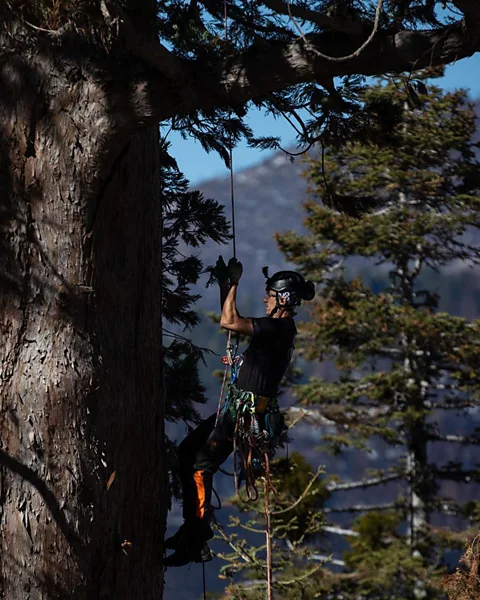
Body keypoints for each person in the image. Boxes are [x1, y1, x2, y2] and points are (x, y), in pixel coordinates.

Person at [164, 257, 315, 567]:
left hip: (240, 416)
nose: (265, 298)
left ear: (283, 299)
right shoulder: (277, 329)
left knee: (199, 466)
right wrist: (225, 288)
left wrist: (233, 283)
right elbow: (230, 317)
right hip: (236, 411)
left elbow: (229, 322)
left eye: (270, 294)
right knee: (188, 451)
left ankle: (195, 540)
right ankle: (192, 529)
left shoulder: (278, 328)